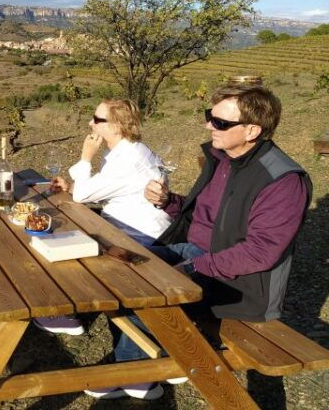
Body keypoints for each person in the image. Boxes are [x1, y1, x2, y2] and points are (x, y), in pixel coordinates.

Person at [85, 84, 312, 401]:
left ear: (252, 130)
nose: (208, 126)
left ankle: (140, 373)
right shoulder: (224, 158)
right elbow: (205, 215)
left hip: (238, 283)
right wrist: (169, 202)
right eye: (210, 116)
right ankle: (146, 361)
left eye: (220, 122)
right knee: (112, 268)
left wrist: (192, 266)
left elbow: (260, 253)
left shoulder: (283, 181)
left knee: (142, 292)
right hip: (194, 254)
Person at [36, 98, 171, 336]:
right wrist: (72, 187)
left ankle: (66, 314)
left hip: (137, 233)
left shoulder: (128, 158)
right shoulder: (130, 150)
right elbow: (105, 188)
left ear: (116, 126)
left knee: (69, 242)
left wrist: (86, 156)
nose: (91, 123)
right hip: (130, 223)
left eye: (98, 120)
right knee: (70, 228)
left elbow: (84, 195)